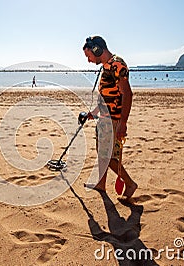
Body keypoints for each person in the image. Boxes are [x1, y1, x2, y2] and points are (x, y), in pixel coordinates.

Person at [82, 36, 137, 198]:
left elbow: (127, 93)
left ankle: (130, 183)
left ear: (97, 50)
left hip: (113, 120)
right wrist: (94, 113)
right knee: (102, 154)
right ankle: (101, 184)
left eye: (88, 56)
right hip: (104, 118)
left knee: (108, 157)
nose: (89, 60)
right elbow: (107, 96)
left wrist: (123, 123)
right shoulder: (107, 66)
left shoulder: (117, 65)